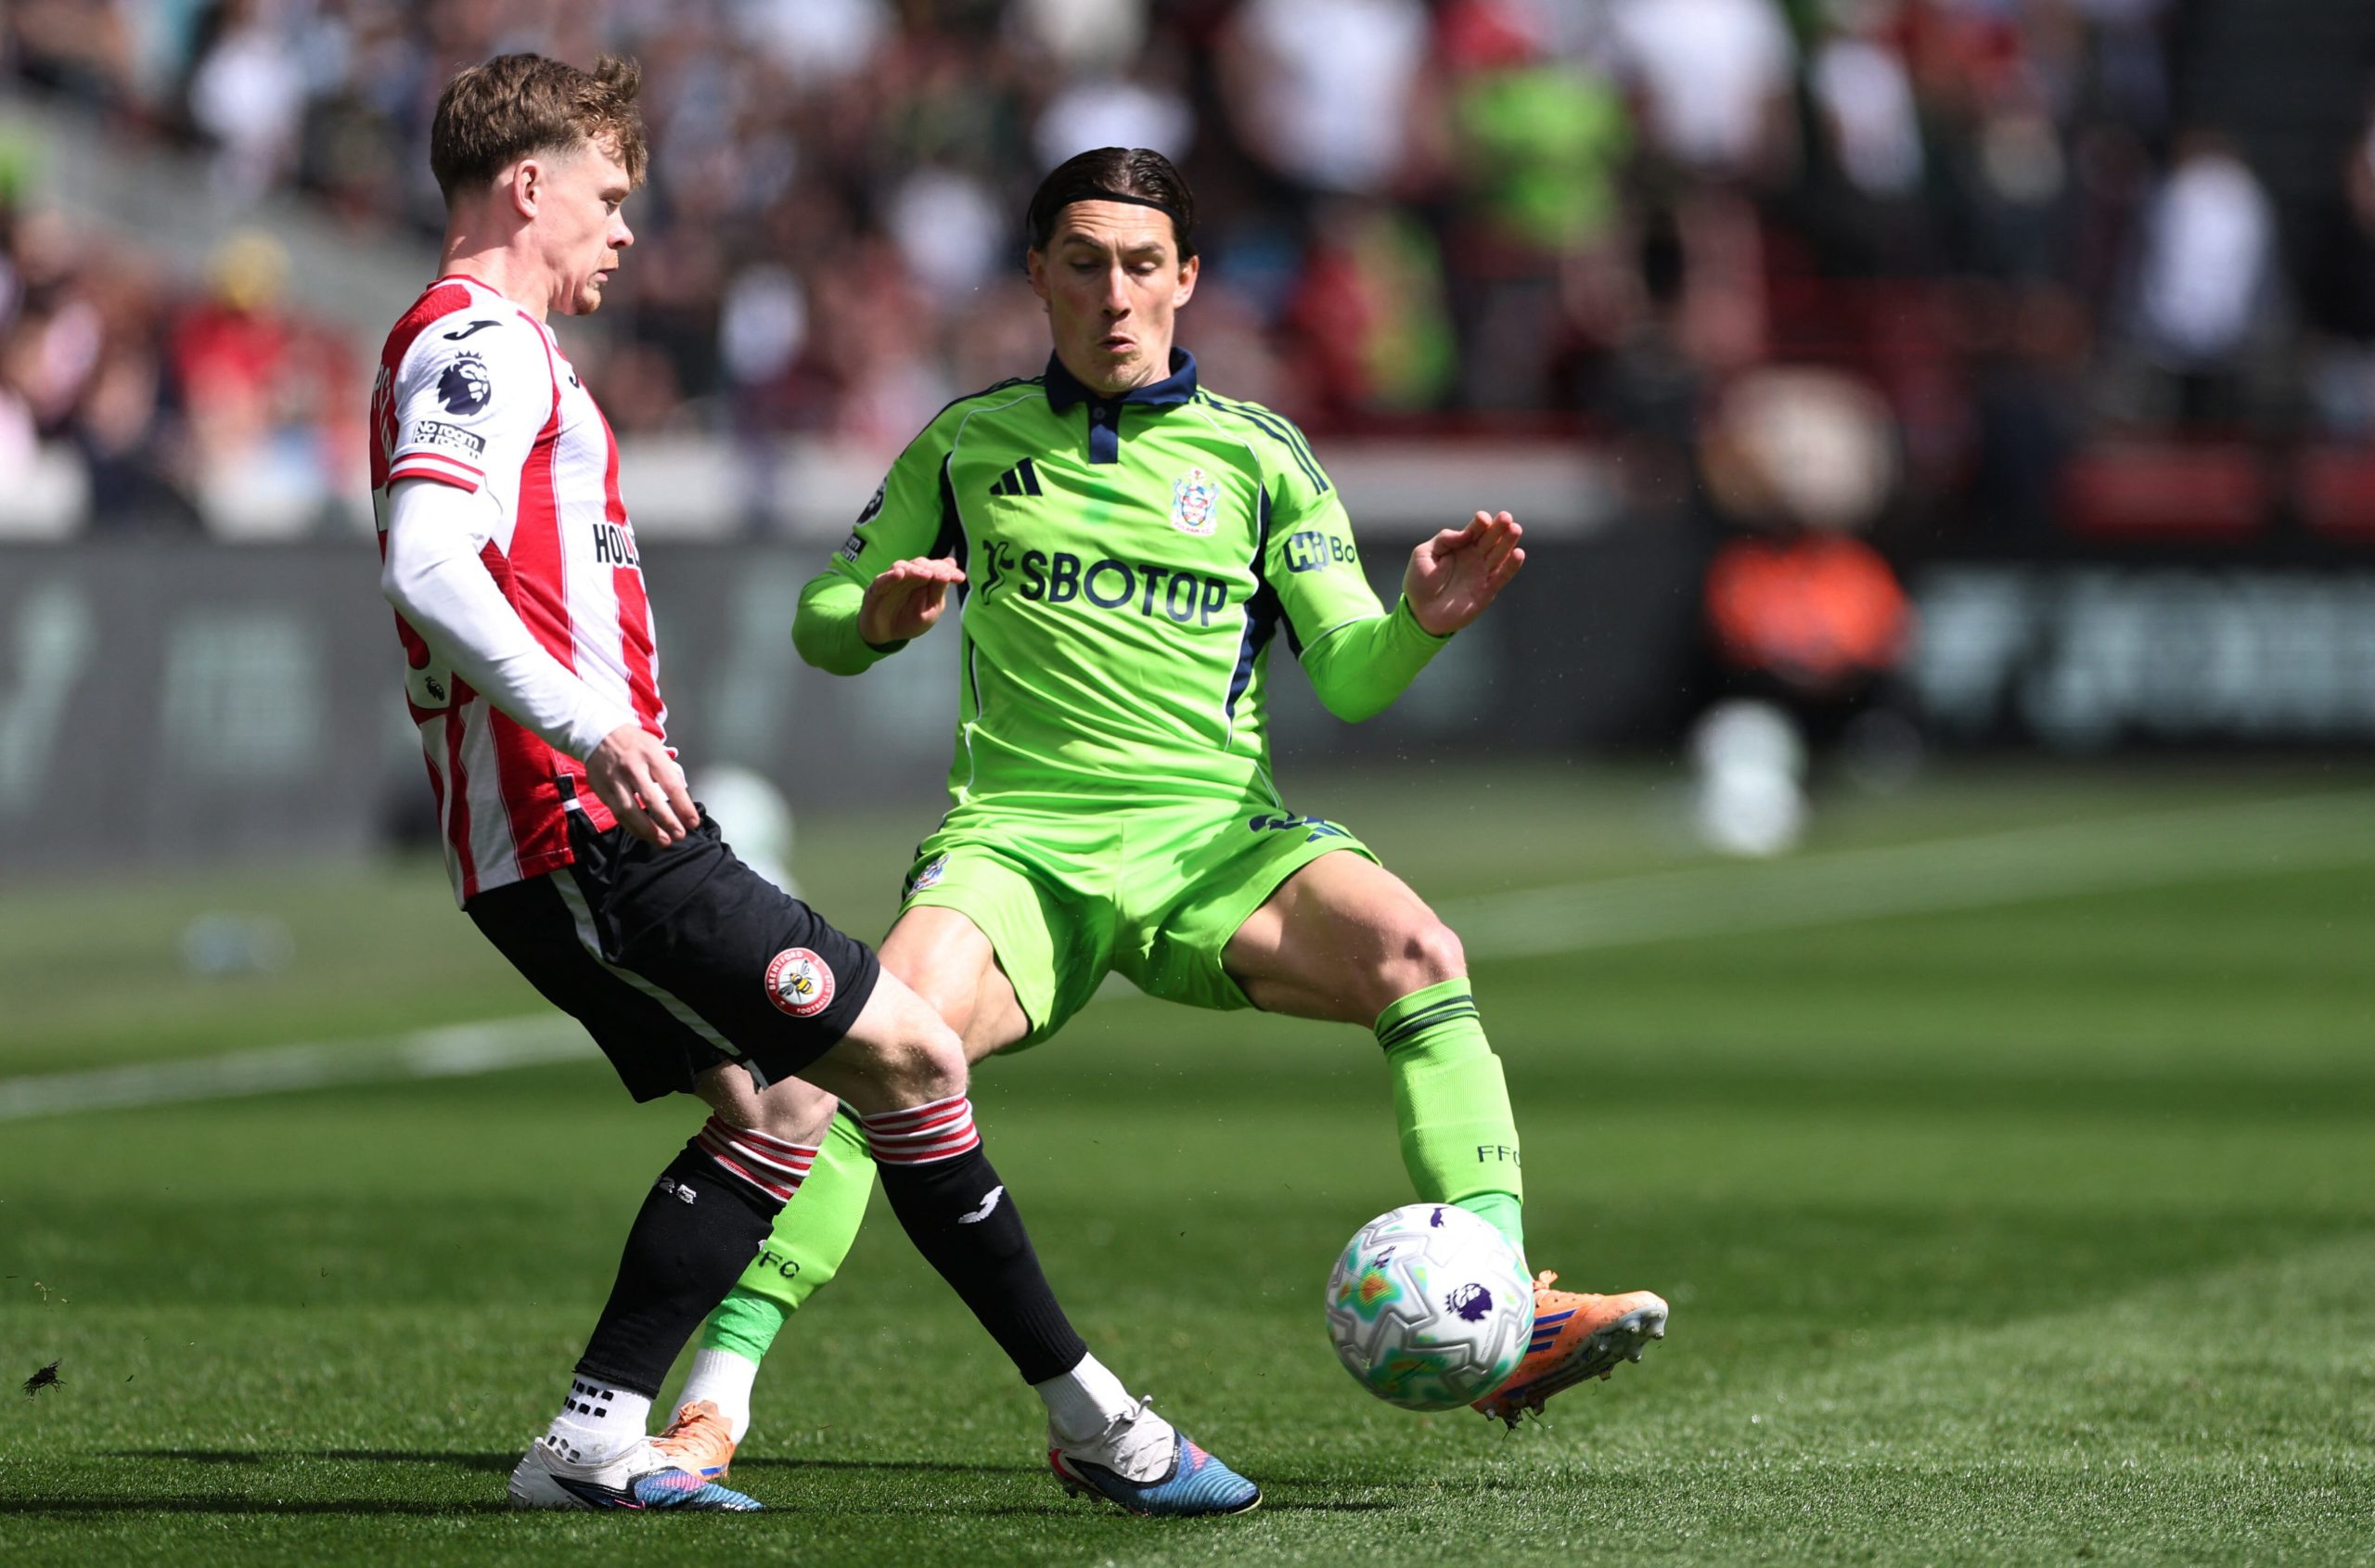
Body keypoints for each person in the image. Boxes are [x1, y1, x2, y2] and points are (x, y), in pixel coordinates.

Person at [667, 147, 1670, 1466]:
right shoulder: (968, 444)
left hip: (1213, 846)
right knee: (879, 1055)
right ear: (1038, 275)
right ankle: (714, 1396)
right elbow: (817, 624)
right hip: (1019, 846)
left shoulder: (1259, 457)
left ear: (1188, 278)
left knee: (1420, 953)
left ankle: (1506, 1304)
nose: (1115, 293)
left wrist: (1418, 622)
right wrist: (879, 612)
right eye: (1083, 263)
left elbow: (1356, 675)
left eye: (1144, 265)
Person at [371, 65, 1257, 1518]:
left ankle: (596, 1437)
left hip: (584, 832)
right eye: (607, 197)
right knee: (906, 1058)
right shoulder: (481, 343)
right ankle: (1099, 1423)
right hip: (586, 830)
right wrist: (589, 726)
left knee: (781, 1103)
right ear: (526, 187)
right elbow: (426, 560)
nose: (625, 233)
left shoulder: (495, 346)